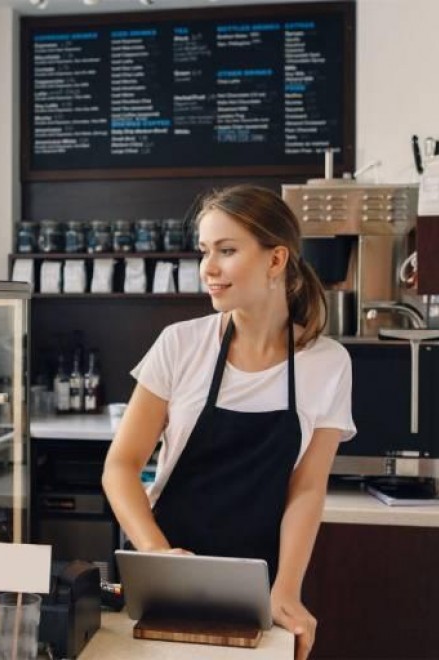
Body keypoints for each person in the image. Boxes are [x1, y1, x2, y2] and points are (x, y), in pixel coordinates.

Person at [102, 185, 356, 660]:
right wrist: (157, 554)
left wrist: (286, 589)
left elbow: (307, 489)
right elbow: (121, 465)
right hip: (164, 576)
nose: (208, 269)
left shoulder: (327, 363)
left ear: (276, 260)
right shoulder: (179, 345)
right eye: (205, 252)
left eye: (227, 251)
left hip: (259, 584)